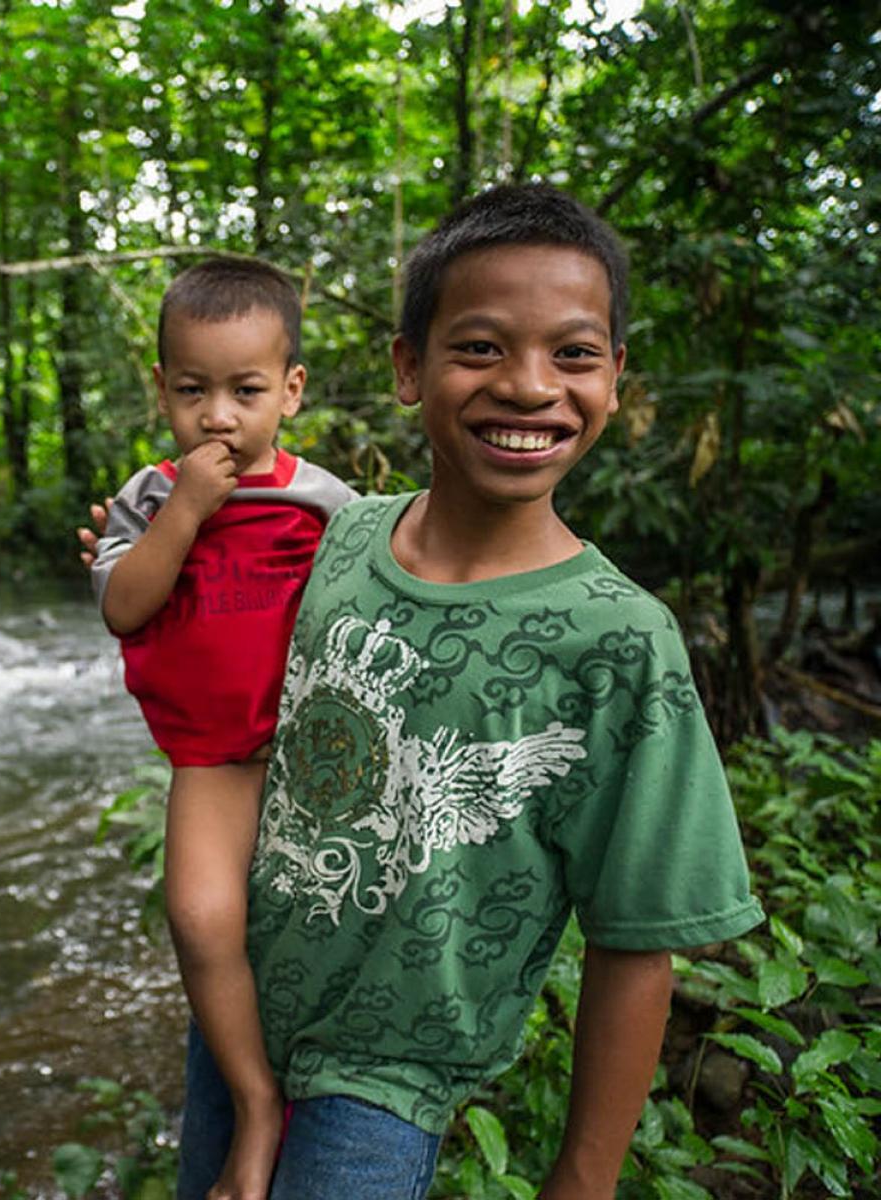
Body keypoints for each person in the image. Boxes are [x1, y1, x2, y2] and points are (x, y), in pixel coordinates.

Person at [93, 185, 762, 1200]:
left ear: (616, 379)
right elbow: (206, 623)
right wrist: (136, 543)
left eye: (573, 354)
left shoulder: (621, 642)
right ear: (409, 368)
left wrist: (580, 1180)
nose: (530, 386)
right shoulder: (339, 538)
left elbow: (634, 941)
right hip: (240, 1026)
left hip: (383, 1081)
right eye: (481, 347)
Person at [88, 257, 355, 1200]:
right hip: (214, 761)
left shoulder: (326, 502)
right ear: (160, 388)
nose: (219, 418)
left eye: (246, 391)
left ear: (290, 390)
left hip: (319, 766)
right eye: (193, 391)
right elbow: (124, 605)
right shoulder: (149, 498)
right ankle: (254, 1102)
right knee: (200, 919)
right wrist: (187, 511)